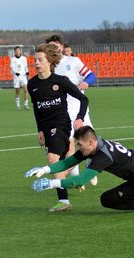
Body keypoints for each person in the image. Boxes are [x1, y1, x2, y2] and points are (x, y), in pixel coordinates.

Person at [27, 43, 89, 212]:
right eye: (35, 60)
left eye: (40, 60)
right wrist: (39, 130)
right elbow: (36, 108)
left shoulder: (60, 81)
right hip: (46, 129)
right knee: (59, 163)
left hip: (62, 125)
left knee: (52, 159)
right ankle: (78, 176)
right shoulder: (32, 84)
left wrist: (80, 118)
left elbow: (84, 99)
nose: (37, 63)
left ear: (49, 61)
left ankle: (64, 201)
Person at [45, 34, 97, 211]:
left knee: (88, 144)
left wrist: (85, 83)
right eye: (50, 47)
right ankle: (74, 180)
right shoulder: (48, 67)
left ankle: (89, 169)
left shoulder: (73, 62)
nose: (54, 49)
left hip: (80, 108)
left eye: (55, 46)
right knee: (69, 146)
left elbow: (91, 75)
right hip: (62, 112)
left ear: (61, 46)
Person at [10, 46, 30, 110]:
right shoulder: (13, 59)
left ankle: (26, 104)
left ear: (20, 51)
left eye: (18, 50)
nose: (18, 52)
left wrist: (27, 72)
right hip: (16, 77)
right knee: (17, 91)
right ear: (15, 52)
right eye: (16, 51)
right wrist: (16, 73)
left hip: (23, 76)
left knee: (26, 90)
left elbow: (26, 66)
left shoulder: (24, 58)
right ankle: (18, 105)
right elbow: (12, 68)